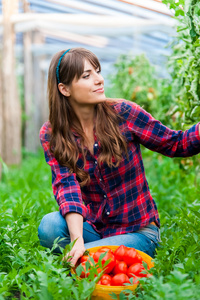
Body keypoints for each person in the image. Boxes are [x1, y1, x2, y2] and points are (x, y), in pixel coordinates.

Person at [38, 47, 200, 266]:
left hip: (139, 232)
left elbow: (176, 144)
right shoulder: (52, 133)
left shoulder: (124, 113)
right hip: (94, 229)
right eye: (87, 76)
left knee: (89, 258)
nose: (99, 80)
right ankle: (93, 257)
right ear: (64, 89)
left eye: (98, 71)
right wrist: (78, 240)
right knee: (49, 227)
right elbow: (67, 187)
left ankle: (91, 260)